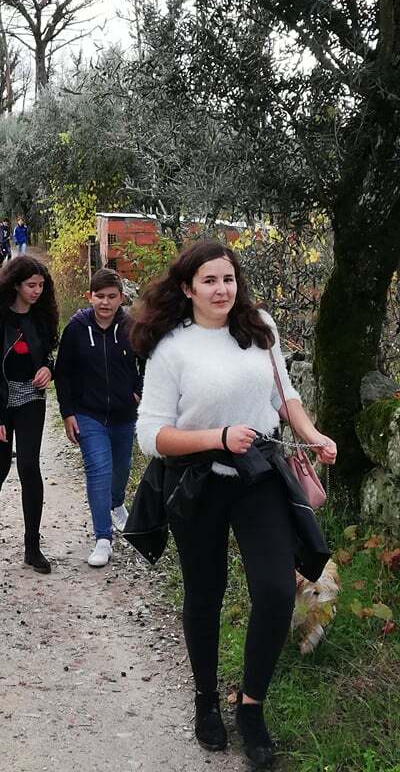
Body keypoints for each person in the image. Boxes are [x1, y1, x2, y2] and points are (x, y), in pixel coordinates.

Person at [132, 240, 337, 767]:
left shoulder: (258, 326)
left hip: (259, 477)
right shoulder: (172, 349)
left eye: (228, 279)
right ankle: (205, 700)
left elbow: (283, 396)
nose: (222, 289)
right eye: (209, 281)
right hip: (197, 482)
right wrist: (218, 437)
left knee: (276, 591)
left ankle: (251, 706)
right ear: (188, 288)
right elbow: (152, 436)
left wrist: (312, 434)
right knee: (206, 593)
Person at [0, 256, 59, 573]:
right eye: (31, 285)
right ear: (16, 285)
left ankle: (32, 546)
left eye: (41, 285)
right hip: (0, 400)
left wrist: (48, 368)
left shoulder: (42, 317)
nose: (37, 291)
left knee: (29, 467)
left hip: (31, 398)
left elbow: (50, 352)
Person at [55, 268, 142, 568]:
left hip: (124, 414)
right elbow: (63, 373)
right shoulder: (76, 329)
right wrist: (67, 413)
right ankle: (103, 538)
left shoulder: (131, 327)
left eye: (111, 297)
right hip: (88, 414)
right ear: (89, 297)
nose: (105, 302)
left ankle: (117, 503)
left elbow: (147, 362)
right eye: (99, 296)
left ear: (121, 298)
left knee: (121, 469)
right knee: (98, 471)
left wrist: (139, 390)